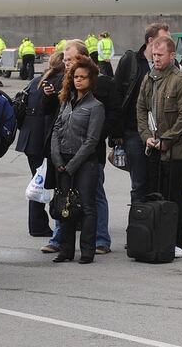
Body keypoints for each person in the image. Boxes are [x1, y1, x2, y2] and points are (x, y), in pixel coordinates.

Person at [56, 41, 121, 255]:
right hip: (66, 155)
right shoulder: (66, 93)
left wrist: (92, 140)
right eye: (65, 60)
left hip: (90, 154)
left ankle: (99, 240)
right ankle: (62, 243)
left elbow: (110, 119)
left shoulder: (103, 88)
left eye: (71, 60)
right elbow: (57, 126)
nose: (67, 64)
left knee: (94, 196)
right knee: (63, 198)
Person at [136, 35, 182, 257]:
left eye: (160, 55)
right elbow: (141, 109)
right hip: (154, 145)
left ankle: (178, 241)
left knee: (175, 195)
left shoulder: (181, 80)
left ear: (172, 56)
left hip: (178, 150)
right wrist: (146, 136)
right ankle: (160, 237)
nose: (156, 59)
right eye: (154, 55)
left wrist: (167, 139)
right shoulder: (149, 78)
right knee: (157, 194)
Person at [50, 57, 106, 264]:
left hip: (85, 163)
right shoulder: (65, 101)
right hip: (62, 160)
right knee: (64, 204)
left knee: (87, 206)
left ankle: (87, 251)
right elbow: (56, 129)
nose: (78, 81)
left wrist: (72, 165)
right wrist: (57, 158)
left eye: (83, 77)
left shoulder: (96, 106)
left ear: (91, 80)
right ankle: (65, 250)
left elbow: (92, 141)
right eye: (75, 77)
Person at [115, 22, 170, 204]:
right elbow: (118, 96)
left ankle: (156, 222)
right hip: (134, 131)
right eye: (165, 39)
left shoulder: (170, 64)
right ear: (151, 41)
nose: (169, 42)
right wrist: (117, 134)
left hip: (161, 133)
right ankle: (139, 225)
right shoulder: (131, 62)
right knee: (139, 182)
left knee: (160, 181)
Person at [16, 53, 63, 242]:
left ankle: (37, 223)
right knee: (44, 181)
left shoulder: (37, 80)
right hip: (41, 137)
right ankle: (39, 223)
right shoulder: (57, 82)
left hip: (29, 136)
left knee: (38, 180)